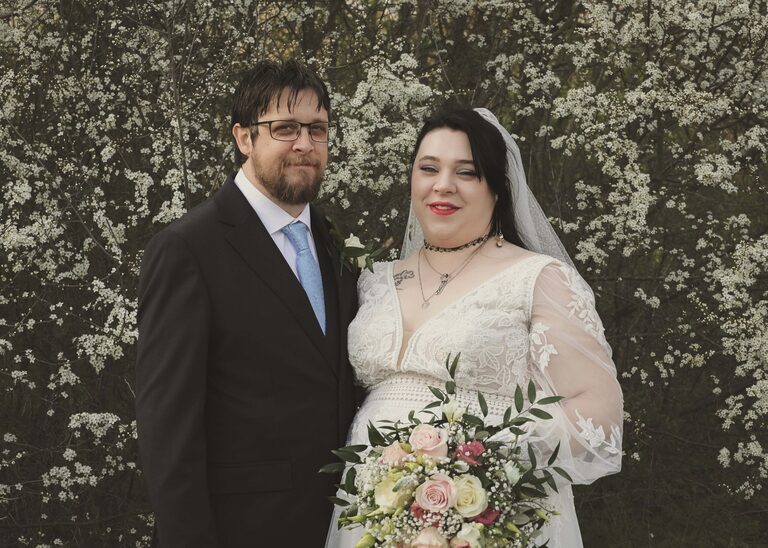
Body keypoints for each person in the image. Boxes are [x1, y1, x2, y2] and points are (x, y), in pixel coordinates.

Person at [326, 107, 623, 547]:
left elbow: (600, 408)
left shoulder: (538, 279)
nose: (443, 185)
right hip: (369, 518)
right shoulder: (374, 280)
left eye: (466, 172)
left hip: (491, 522)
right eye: (428, 169)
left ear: (497, 188)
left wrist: (486, 471)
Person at [136, 59, 358, 547]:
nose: (305, 144)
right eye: (285, 128)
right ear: (243, 138)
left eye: (317, 129)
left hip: (345, 526)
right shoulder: (188, 249)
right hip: (241, 530)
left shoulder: (335, 242)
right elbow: (168, 432)